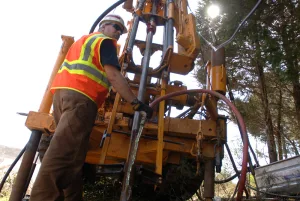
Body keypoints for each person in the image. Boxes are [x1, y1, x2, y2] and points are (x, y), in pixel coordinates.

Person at [30, 14, 153, 201]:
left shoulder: (82, 41)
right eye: (115, 27)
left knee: (74, 157)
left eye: (121, 30)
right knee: (62, 156)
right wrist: (136, 103)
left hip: (62, 98)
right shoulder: (105, 42)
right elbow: (113, 76)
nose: (118, 32)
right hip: (82, 99)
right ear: (103, 27)